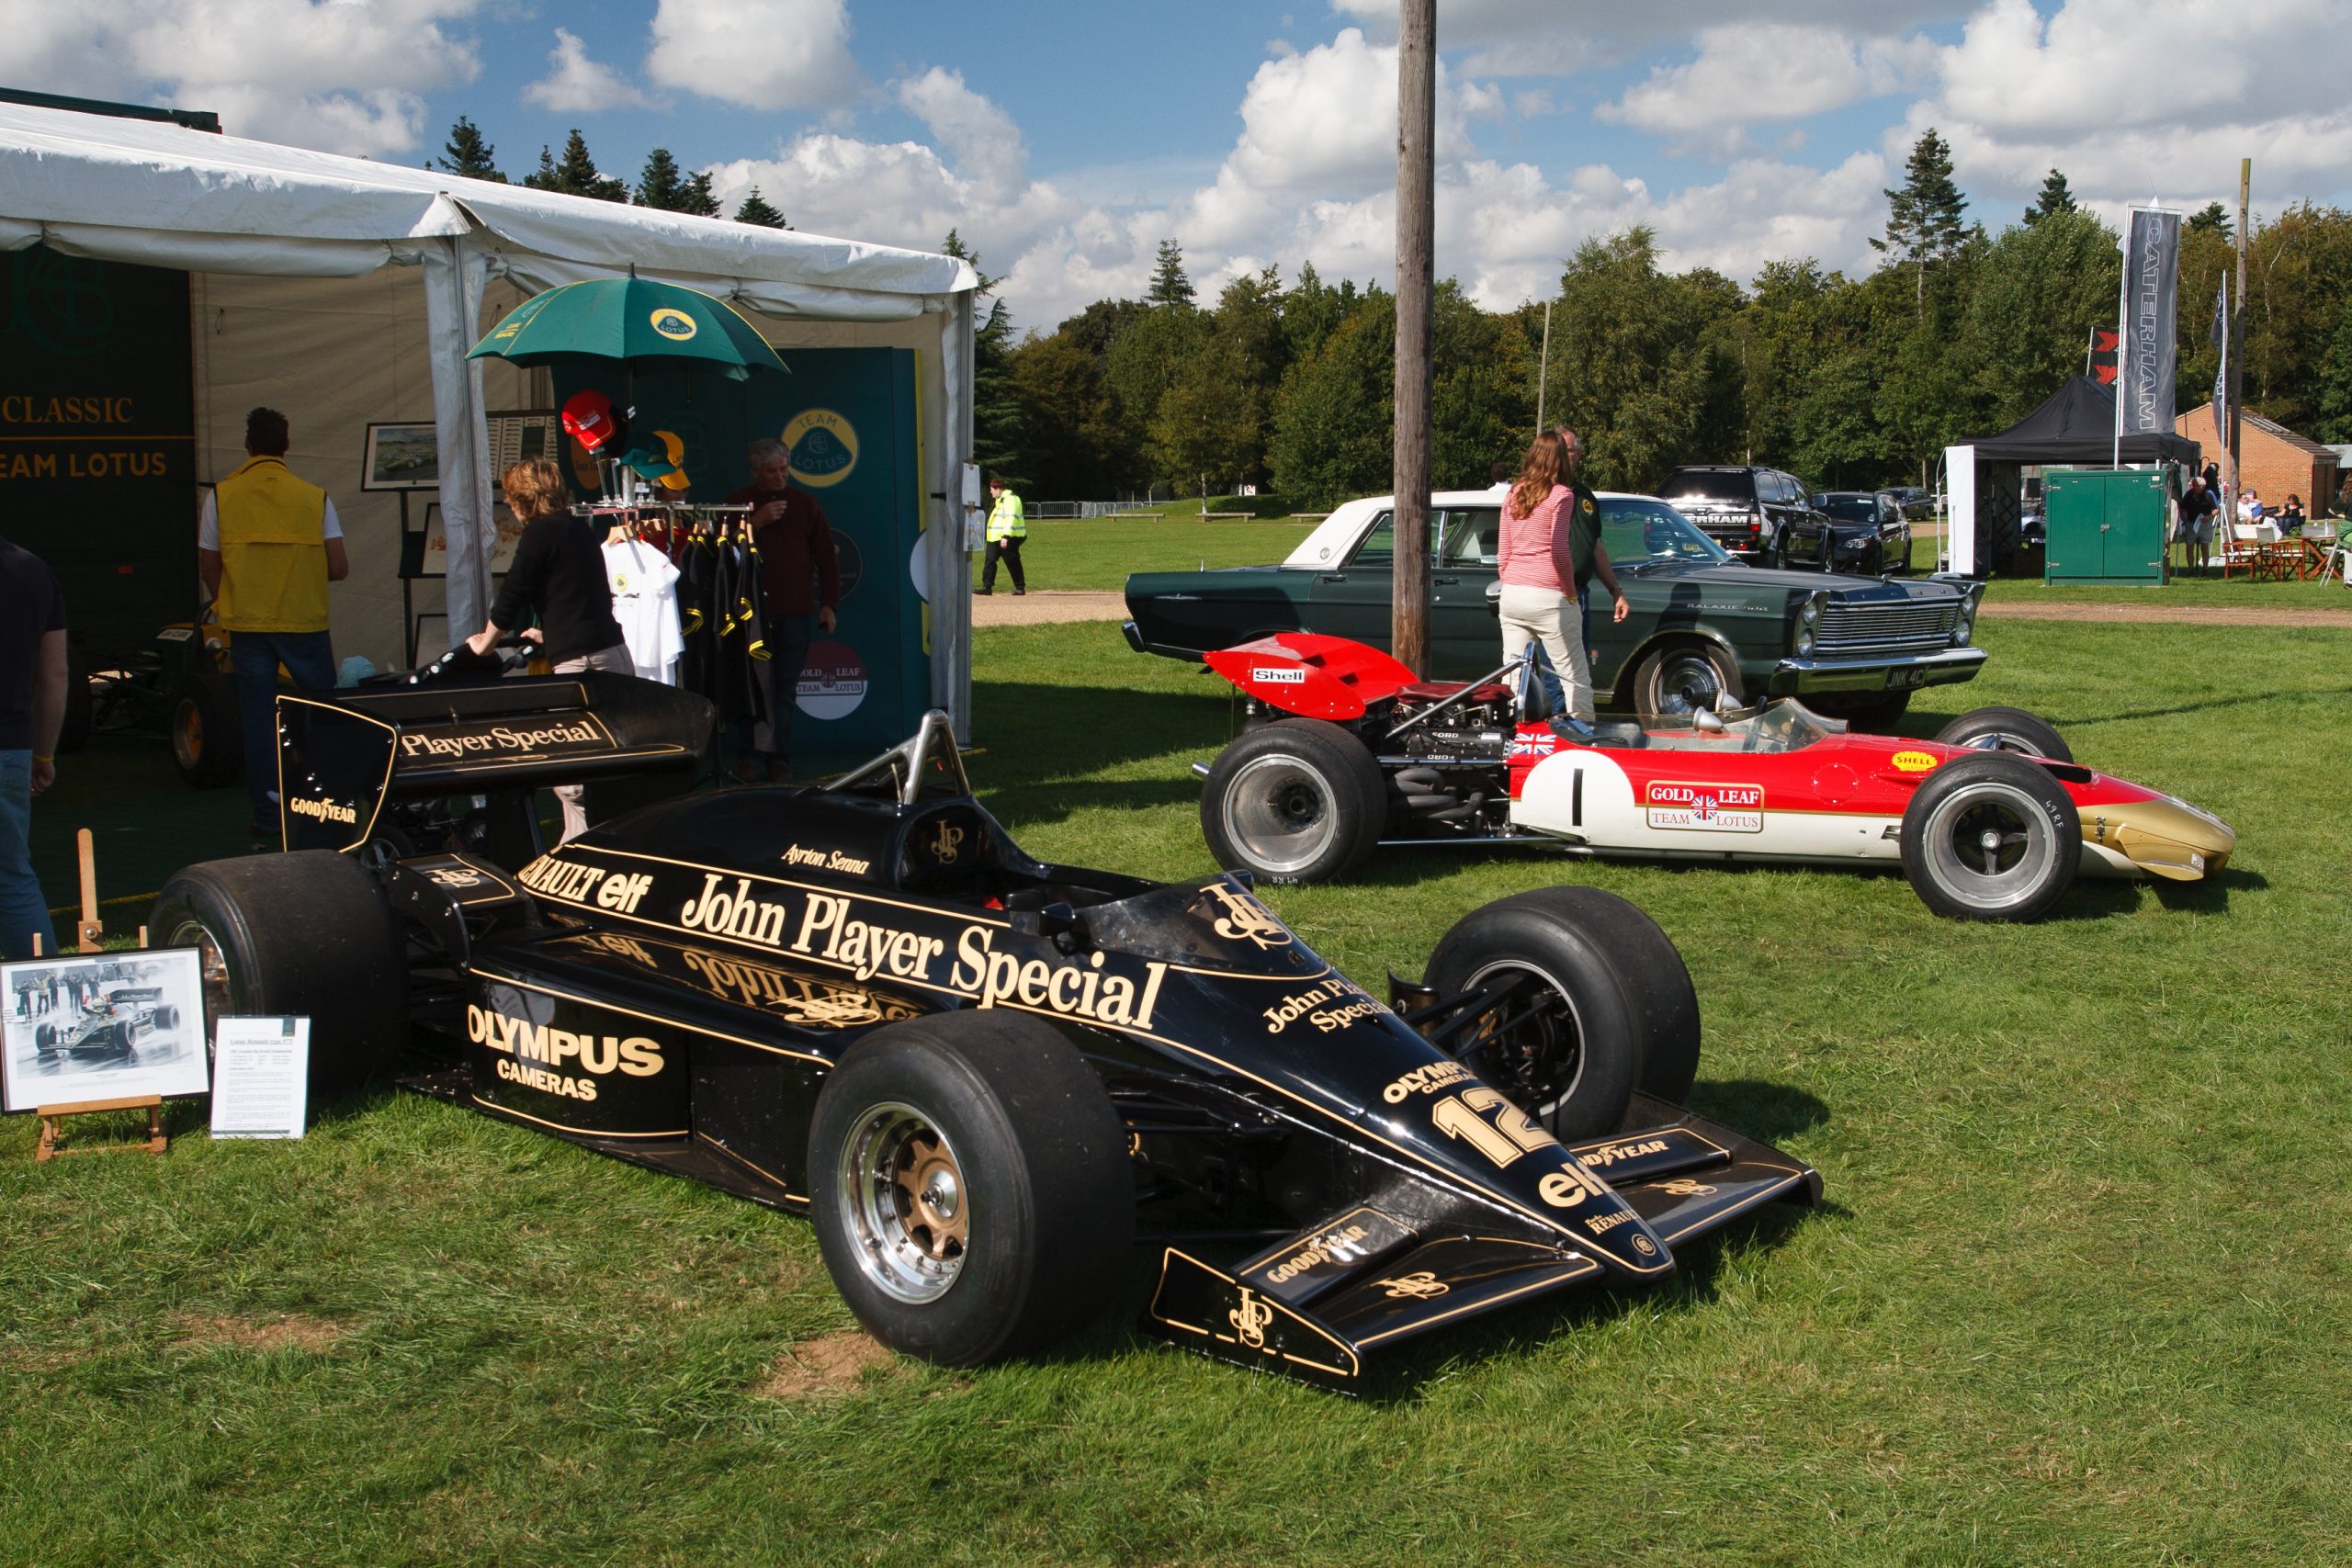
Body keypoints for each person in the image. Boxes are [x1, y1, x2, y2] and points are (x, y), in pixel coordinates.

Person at [198, 407, 349, 842]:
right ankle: (329, 810)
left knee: (260, 720)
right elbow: (338, 567)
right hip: (305, 622)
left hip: (246, 623)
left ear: (247, 445)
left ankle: (269, 816)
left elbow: (209, 563)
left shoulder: (222, 496)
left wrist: (228, 600)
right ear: (286, 445)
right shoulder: (314, 496)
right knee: (325, 715)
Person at [467, 458, 629, 841]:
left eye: (510, 497)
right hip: (613, 653)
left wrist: (484, 644)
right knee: (606, 770)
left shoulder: (540, 534)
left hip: (583, 664)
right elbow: (582, 596)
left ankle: (593, 856)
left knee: (573, 780)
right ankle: (579, 855)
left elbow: (512, 595)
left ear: (525, 498)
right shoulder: (579, 529)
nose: (508, 504)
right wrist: (548, 634)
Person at [724, 438, 841, 781]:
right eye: (771, 471)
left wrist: (829, 605)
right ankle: (749, 755)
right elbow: (722, 553)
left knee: (784, 688)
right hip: (749, 613)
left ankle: (778, 758)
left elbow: (826, 558)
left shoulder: (805, 504)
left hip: (794, 610)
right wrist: (755, 523)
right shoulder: (736, 503)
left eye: (784, 469)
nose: (779, 477)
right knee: (752, 686)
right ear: (755, 471)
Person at [2, 535, 65, 961]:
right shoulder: (33, 570)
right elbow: (55, 675)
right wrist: (43, 755)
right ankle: (49, 1009)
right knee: (12, 879)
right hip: (9, 747)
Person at [1552, 428, 1631, 716]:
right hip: (1551, 593)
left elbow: (1596, 547)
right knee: (1554, 668)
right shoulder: (1541, 493)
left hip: (1579, 593)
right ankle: (1555, 723)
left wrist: (1615, 591)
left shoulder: (1584, 495)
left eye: (1577, 449)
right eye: (1573, 450)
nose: (1579, 455)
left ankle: (1574, 724)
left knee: (1578, 665)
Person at [979, 474, 1026, 595]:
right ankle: (987, 587)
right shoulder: (999, 500)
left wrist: (1006, 536)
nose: (990, 493)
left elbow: (1011, 518)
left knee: (1012, 561)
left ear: (998, 489)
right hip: (994, 538)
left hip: (1007, 538)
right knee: (990, 562)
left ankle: (1020, 587)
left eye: (991, 490)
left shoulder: (1010, 499)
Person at [2177, 476, 2217, 573]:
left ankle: (2205, 568)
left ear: (2203, 486)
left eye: (2196, 486)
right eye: (2193, 485)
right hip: (2191, 523)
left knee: (2204, 546)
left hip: (2204, 523)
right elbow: (2182, 507)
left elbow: (2216, 509)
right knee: (2189, 546)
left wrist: (2209, 517)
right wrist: (2184, 513)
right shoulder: (2189, 494)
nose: (2194, 487)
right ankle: (2191, 569)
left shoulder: (2209, 494)